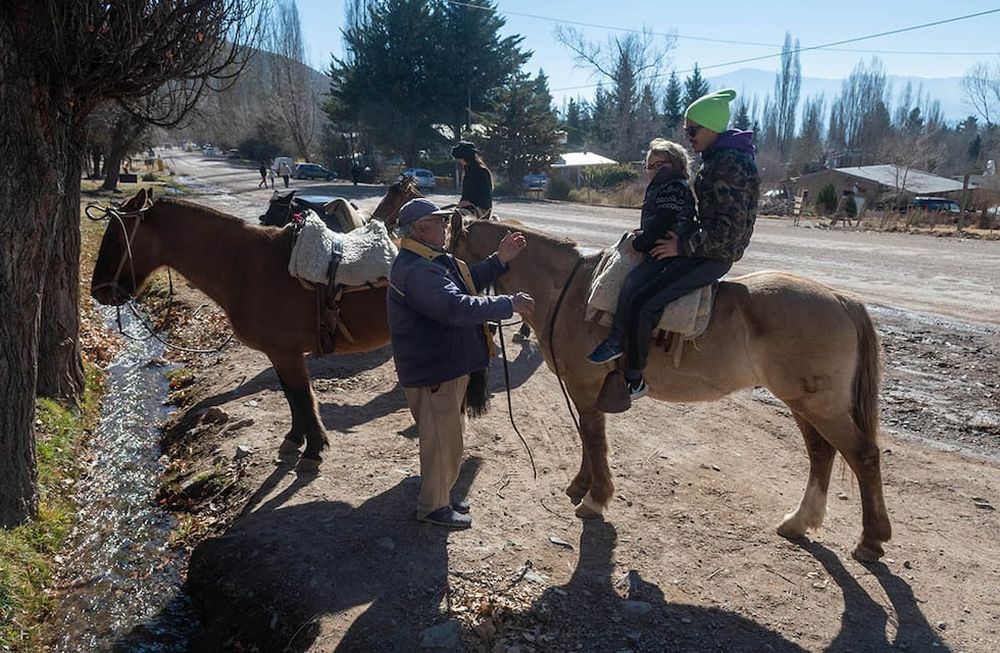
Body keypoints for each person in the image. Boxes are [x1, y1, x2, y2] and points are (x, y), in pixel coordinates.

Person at [594, 89, 759, 402]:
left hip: (712, 256)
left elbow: (728, 232)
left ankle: (634, 377)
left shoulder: (727, 165)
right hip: (704, 248)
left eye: (693, 130)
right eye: (686, 130)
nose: (688, 136)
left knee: (645, 301)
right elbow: (710, 217)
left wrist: (682, 247)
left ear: (712, 129)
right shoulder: (722, 159)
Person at [388, 198, 534, 528]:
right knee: (441, 441)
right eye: (439, 222)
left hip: (445, 366)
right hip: (436, 370)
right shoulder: (417, 269)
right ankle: (434, 507)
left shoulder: (428, 260)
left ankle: (441, 493)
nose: (445, 226)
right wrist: (508, 303)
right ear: (421, 228)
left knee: (448, 437)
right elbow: (454, 307)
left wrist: (499, 260)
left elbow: (465, 283)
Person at [587, 139, 697, 400]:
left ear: (675, 164)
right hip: (657, 244)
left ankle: (617, 342)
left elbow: (663, 221)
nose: (653, 169)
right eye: (649, 165)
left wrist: (640, 242)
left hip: (666, 251)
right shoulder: (665, 186)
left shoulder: (673, 186)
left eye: (660, 164)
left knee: (633, 285)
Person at [451, 141, 493, 219]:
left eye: (459, 158)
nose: (458, 161)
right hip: (467, 207)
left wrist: (470, 203)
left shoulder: (482, 172)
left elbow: (485, 196)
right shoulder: (468, 171)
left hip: (479, 209)